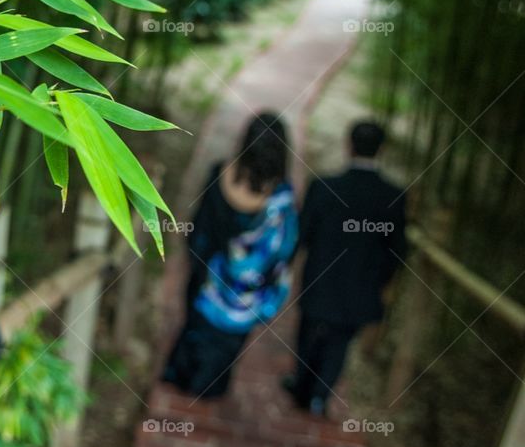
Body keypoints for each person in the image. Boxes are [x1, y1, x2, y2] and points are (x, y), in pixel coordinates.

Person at [163, 111, 298, 400]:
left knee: (195, 327)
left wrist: (197, 262)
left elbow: (199, 229)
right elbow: (284, 248)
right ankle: (209, 388)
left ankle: (182, 377)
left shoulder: (221, 174)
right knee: (228, 341)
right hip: (247, 292)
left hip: (208, 278)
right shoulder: (282, 197)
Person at [285, 119, 407, 417]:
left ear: (348, 145)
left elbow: (302, 234)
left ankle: (301, 385)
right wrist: (383, 280)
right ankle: (319, 396)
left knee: (309, 332)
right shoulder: (393, 196)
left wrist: (286, 265)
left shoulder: (324, 186)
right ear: (381, 150)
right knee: (339, 342)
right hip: (362, 286)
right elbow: (398, 249)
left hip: (320, 278)